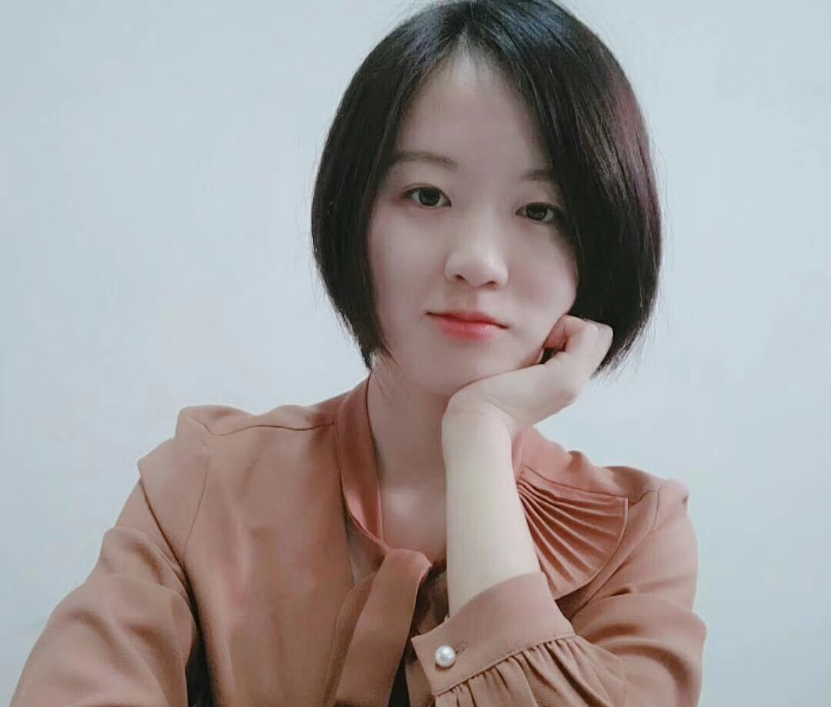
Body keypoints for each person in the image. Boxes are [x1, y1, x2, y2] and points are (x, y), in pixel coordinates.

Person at [10, 0, 707, 705]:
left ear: (602, 246)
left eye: (540, 210)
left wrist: (480, 435)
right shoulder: (203, 480)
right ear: (354, 214)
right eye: (427, 195)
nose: (476, 261)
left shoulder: (637, 537)